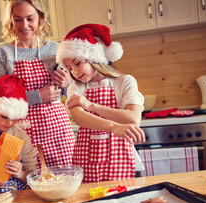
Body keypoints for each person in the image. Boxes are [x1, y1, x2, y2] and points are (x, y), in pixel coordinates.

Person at [0, 0, 74, 168]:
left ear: (40, 17)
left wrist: (68, 82)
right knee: (26, 182)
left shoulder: (56, 49)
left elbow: (73, 95)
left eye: (30, 18)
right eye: (18, 19)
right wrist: (37, 96)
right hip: (20, 133)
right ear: (10, 20)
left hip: (58, 132)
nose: (24, 25)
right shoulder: (3, 52)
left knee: (64, 181)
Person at [56, 23, 146, 183]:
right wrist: (114, 126)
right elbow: (80, 118)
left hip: (119, 157)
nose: (74, 72)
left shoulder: (124, 82)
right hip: (85, 159)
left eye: (77, 63)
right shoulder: (75, 87)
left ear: (93, 58)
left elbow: (133, 118)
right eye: (69, 68)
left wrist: (91, 105)